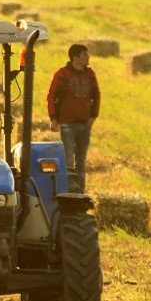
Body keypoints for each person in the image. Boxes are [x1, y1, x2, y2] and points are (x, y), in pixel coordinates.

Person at [46, 42, 100, 193]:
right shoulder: (62, 75)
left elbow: (97, 96)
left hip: (85, 125)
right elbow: (51, 96)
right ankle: (69, 192)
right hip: (67, 125)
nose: (88, 57)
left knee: (81, 163)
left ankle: (80, 193)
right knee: (68, 161)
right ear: (76, 58)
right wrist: (53, 118)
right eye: (85, 55)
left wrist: (92, 118)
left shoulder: (90, 74)